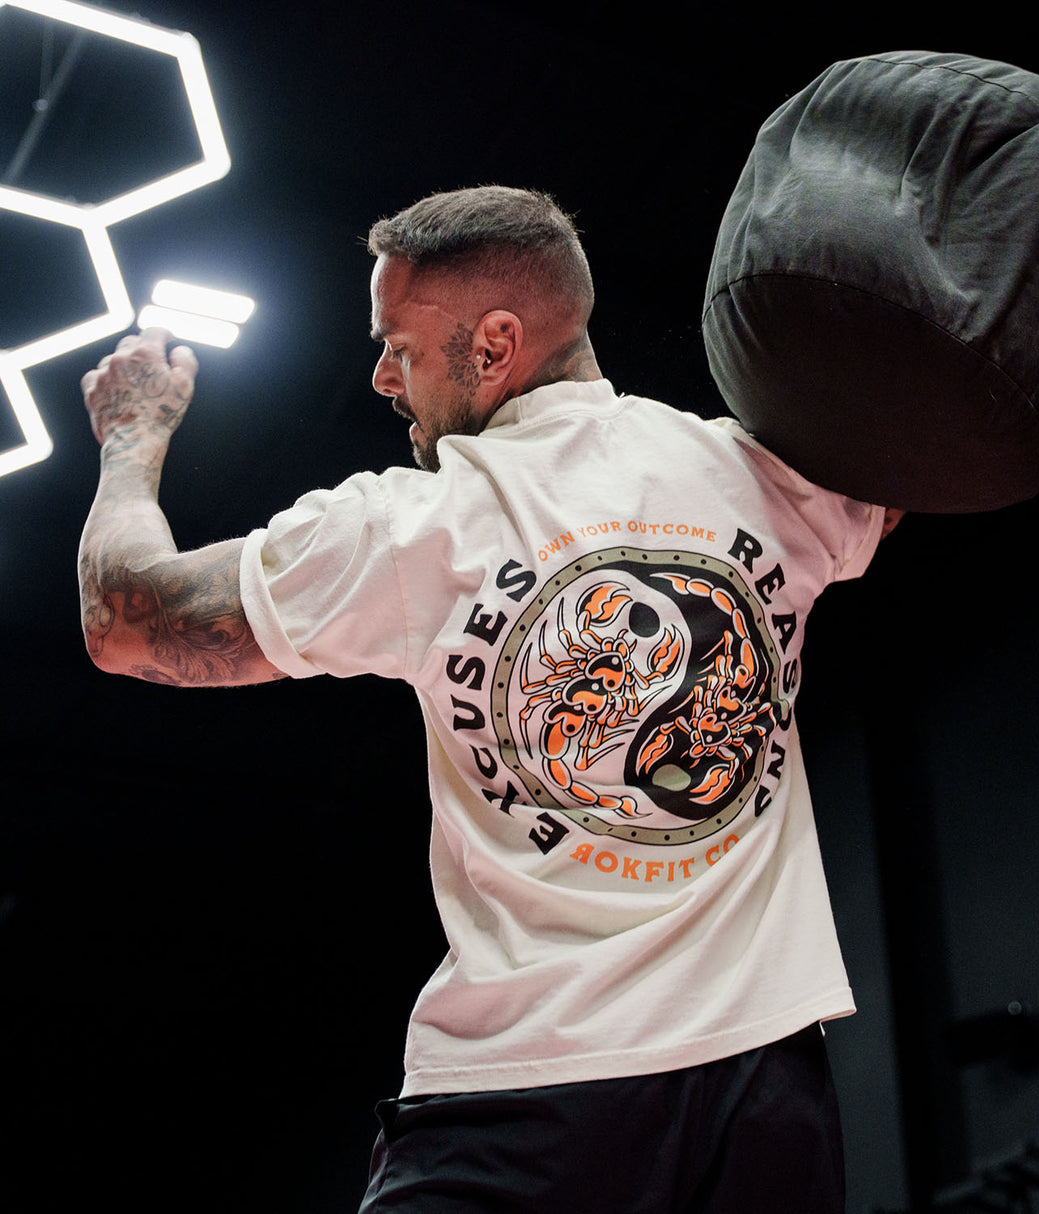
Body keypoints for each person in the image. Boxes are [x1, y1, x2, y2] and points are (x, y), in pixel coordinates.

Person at [78, 185, 901, 1212]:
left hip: (532, 1095)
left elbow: (122, 618)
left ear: (494, 345)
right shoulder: (756, 474)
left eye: (398, 347)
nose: (379, 374)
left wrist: (129, 438)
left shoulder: (416, 523)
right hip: (766, 1093)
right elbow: (919, 444)